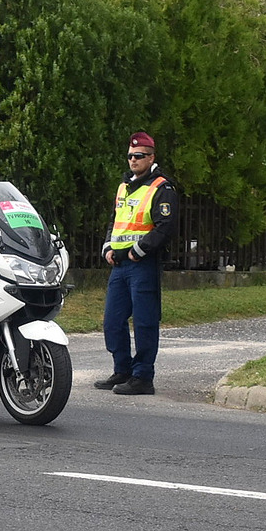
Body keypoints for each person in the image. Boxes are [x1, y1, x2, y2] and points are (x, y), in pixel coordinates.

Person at [94, 131, 179, 396]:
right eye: (130, 156)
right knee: (112, 321)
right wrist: (108, 246)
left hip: (142, 264)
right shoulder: (124, 186)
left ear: (151, 157)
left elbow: (166, 227)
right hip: (119, 265)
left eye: (139, 156)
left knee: (144, 321)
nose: (133, 160)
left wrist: (137, 251)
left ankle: (143, 377)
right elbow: (115, 220)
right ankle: (122, 370)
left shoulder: (162, 187)